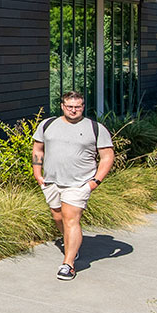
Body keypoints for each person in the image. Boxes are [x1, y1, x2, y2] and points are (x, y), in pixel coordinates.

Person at [32, 90, 115, 281]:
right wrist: (37, 173)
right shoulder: (48, 124)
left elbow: (107, 156)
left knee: (71, 219)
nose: (73, 110)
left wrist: (95, 181)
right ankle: (72, 245)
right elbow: (38, 148)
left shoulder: (95, 128)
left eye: (77, 107)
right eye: (69, 106)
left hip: (79, 183)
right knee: (58, 217)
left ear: (83, 107)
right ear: (62, 106)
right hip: (51, 181)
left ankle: (68, 264)